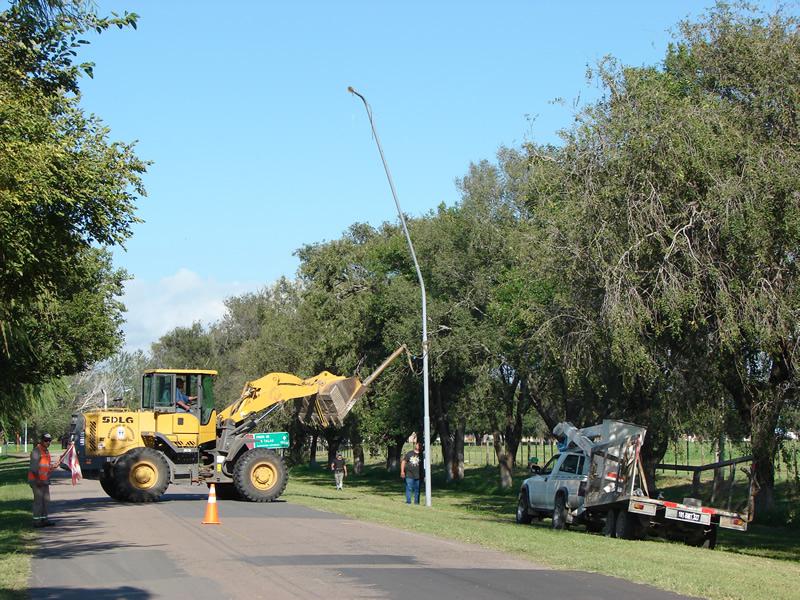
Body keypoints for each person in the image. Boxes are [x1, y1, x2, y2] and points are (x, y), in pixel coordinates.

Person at [29, 433, 55, 527]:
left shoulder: (46, 452)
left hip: (44, 481)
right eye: (46, 440)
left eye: (49, 440)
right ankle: (36, 522)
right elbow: (34, 468)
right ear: (41, 440)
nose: (48, 442)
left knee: (46, 501)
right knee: (38, 501)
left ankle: (44, 520)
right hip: (36, 481)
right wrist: (38, 480)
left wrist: (52, 467)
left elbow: (45, 467)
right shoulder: (36, 451)